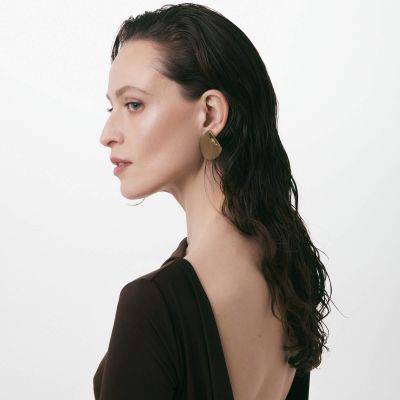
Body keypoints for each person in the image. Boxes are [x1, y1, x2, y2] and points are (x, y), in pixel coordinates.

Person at [95, 3, 333, 399]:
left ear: (209, 114)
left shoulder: (153, 304)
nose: (107, 133)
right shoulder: (288, 271)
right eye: (111, 106)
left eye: (133, 104)